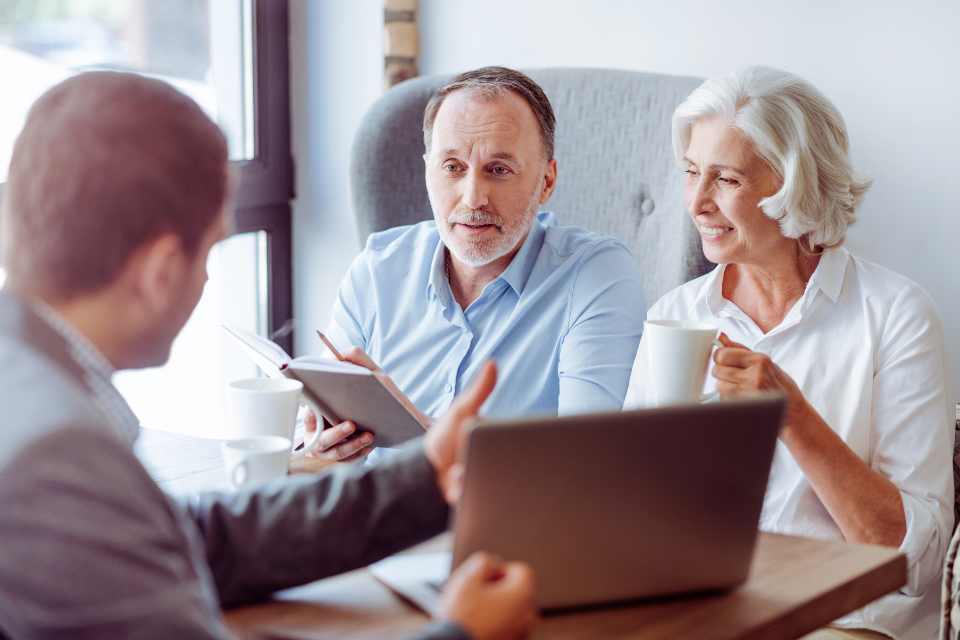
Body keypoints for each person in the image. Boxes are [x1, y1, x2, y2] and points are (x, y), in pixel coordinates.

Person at [0, 72, 538, 640]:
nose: (207, 277)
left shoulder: (26, 381)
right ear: (159, 273)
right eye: (210, 250)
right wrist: (463, 634)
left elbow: (192, 538)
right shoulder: (57, 453)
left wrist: (425, 473)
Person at [624, 66, 955, 639]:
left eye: (725, 179)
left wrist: (793, 415)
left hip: (843, 619)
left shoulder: (896, 314)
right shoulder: (673, 318)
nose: (697, 202)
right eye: (691, 173)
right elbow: (625, 506)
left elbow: (917, 563)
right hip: (705, 609)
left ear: (794, 186)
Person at [308, 66, 646, 463]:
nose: (473, 198)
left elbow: (585, 463)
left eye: (498, 170)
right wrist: (324, 445)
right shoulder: (377, 268)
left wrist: (408, 424)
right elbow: (318, 446)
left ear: (547, 181)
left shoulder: (597, 276)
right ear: (428, 171)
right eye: (452, 167)